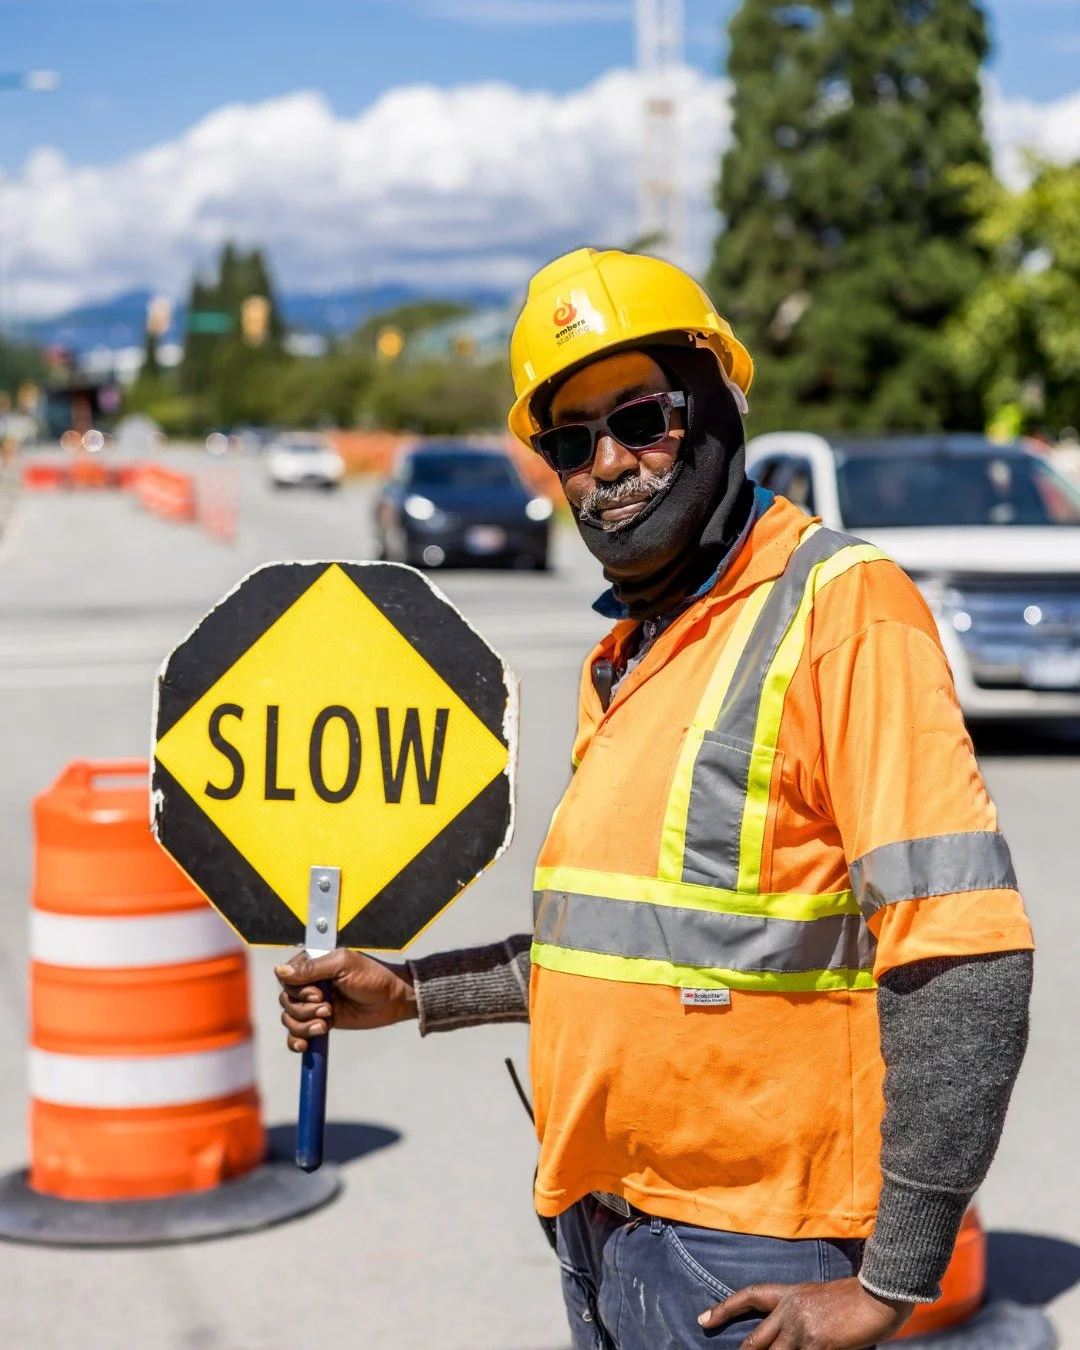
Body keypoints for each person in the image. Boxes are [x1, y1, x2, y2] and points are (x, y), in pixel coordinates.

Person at [278, 248, 1033, 1350]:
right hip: (602, 1229)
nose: (609, 465)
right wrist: (411, 991)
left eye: (641, 418)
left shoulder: (838, 609)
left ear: (718, 406)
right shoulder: (633, 652)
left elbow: (965, 956)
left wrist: (890, 1282)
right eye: (572, 442)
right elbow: (623, 942)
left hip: (754, 1254)